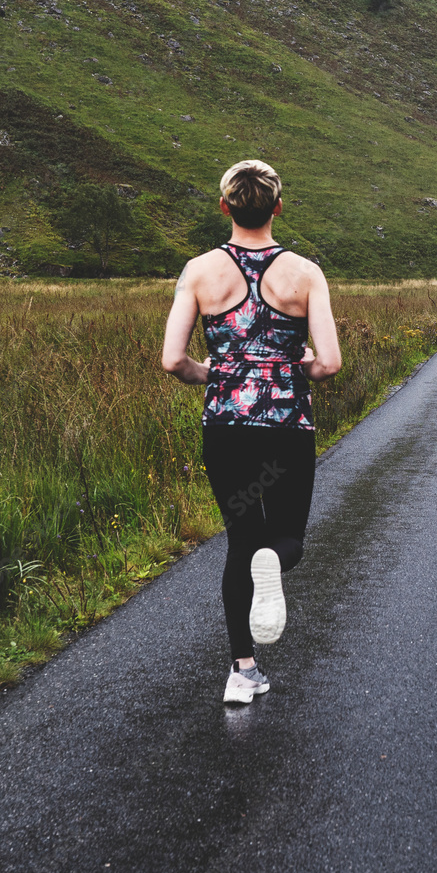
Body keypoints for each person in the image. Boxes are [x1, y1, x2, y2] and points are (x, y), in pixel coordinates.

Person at [162, 160, 342, 704]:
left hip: (227, 429)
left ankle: (242, 671)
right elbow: (329, 364)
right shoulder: (305, 273)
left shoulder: (198, 272)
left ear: (226, 207)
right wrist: (297, 366)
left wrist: (214, 375)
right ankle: (277, 562)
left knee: (241, 540)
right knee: (286, 537)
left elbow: (173, 360)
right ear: (277, 207)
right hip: (285, 429)